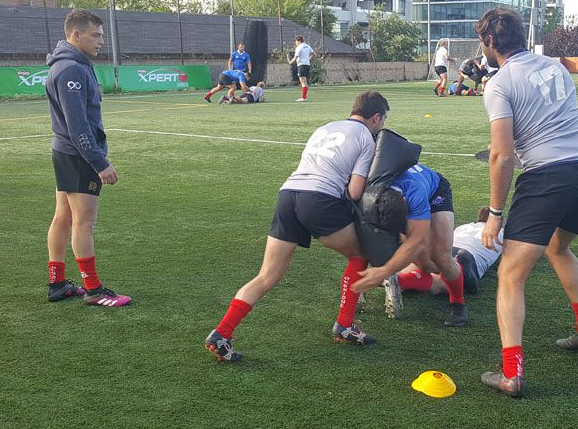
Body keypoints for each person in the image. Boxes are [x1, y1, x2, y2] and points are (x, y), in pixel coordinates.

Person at [205, 92, 427, 362]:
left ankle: (222, 332)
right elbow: (355, 191)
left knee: (266, 276)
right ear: (376, 117)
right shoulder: (366, 138)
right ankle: (344, 325)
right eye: (383, 120)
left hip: (288, 194)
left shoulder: (325, 127)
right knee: (360, 255)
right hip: (319, 199)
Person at [475, 8, 578, 398]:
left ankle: (511, 374)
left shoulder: (498, 83)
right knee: (557, 247)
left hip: (548, 177)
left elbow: (502, 155)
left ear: (491, 42)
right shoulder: (555, 66)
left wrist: (495, 215)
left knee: (511, 274)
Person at [44, 8, 131, 307]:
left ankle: (57, 284)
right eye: (95, 35)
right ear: (76, 34)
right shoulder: (71, 70)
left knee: (64, 218)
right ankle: (93, 289)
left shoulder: (71, 64)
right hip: (79, 154)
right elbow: (77, 123)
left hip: (65, 151)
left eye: (102, 36)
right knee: (84, 223)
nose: (100, 41)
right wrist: (99, 162)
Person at [356, 164, 467, 327]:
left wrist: (384, 270)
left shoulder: (415, 193)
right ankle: (411, 278)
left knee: (440, 257)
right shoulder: (370, 197)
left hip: (435, 191)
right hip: (395, 199)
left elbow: (417, 241)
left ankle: (458, 303)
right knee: (424, 265)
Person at [396, 206, 502, 299]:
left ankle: (396, 277)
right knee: (440, 282)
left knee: (421, 266)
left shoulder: (465, 226)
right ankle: (402, 281)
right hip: (468, 258)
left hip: (447, 250)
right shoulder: (500, 232)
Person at [288, 35, 315, 102]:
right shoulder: (308, 46)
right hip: (307, 65)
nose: (296, 43)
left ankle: (303, 98)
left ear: (299, 41)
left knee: (303, 82)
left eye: (296, 42)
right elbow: (314, 54)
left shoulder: (299, 47)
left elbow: (295, 58)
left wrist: (290, 62)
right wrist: (308, 59)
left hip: (301, 66)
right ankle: (304, 97)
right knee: (305, 82)